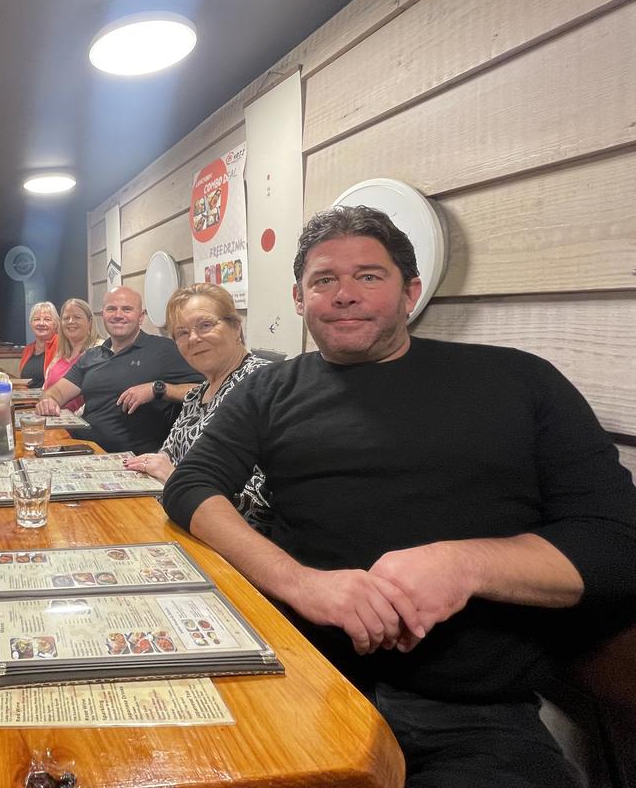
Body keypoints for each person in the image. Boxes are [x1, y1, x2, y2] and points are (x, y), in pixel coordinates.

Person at [162, 206, 636, 787]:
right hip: (301, 677)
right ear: (299, 299)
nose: (344, 294)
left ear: (410, 292)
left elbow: (615, 543)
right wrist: (301, 583)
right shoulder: (269, 388)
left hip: (470, 713)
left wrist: (464, 564)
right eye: (324, 280)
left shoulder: (519, 381)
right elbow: (191, 485)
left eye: (368, 276)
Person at [123, 284, 272, 527]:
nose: (193, 338)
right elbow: (166, 456)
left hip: (229, 541)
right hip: (179, 523)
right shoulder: (197, 394)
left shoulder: (264, 383)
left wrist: (175, 478)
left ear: (236, 327)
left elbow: (261, 502)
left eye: (205, 325)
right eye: (182, 332)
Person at [34, 286, 202, 453]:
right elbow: (57, 392)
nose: (118, 315)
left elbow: (205, 391)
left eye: (127, 309)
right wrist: (49, 401)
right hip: (82, 450)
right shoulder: (92, 355)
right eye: (111, 309)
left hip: (130, 460)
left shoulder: (164, 349)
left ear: (141, 317)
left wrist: (158, 389)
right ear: (103, 315)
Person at [44, 298, 97, 412]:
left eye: (77, 317)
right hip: (52, 417)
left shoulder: (98, 352)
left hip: (79, 420)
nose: (71, 321)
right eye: (66, 318)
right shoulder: (60, 354)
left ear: (90, 322)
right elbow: (46, 389)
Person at [19, 302, 59, 388]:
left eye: (47, 319)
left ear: (55, 324)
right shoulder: (27, 350)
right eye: (37, 319)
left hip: (52, 395)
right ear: (31, 323)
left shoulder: (62, 346)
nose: (41, 323)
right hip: (27, 396)